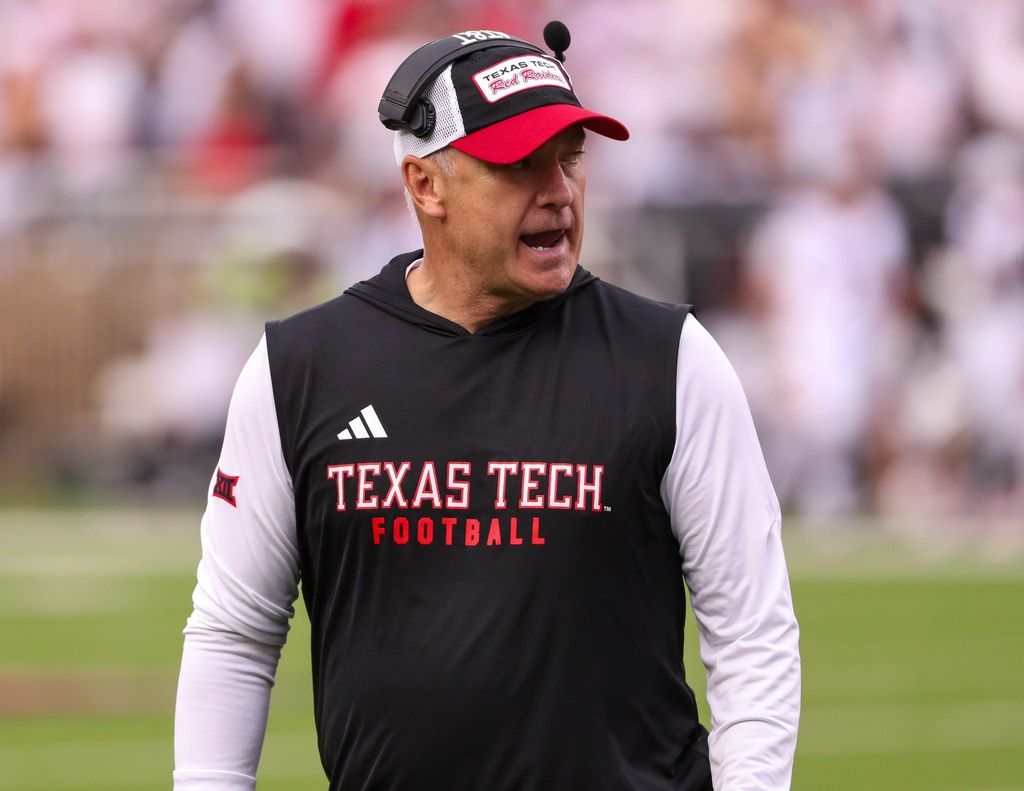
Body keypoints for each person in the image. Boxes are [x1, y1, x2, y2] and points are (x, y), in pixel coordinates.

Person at [173, 25, 801, 791]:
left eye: (570, 155)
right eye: (519, 163)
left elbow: (751, 635)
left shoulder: (671, 359)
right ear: (423, 185)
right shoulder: (299, 368)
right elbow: (235, 633)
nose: (559, 191)